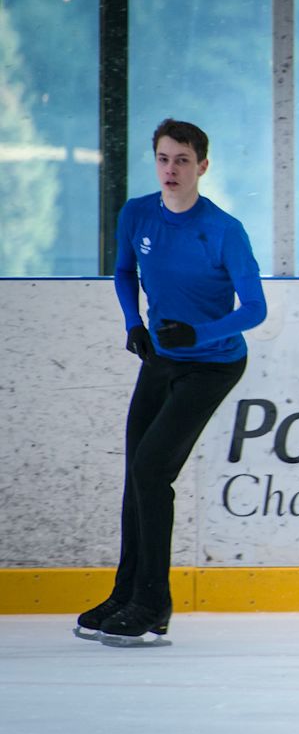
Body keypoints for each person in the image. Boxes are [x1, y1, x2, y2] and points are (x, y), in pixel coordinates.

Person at [75, 119, 268, 646]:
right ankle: (126, 593)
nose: (171, 170)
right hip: (160, 357)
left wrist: (200, 333)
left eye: (183, 160)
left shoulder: (225, 230)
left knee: (152, 468)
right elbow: (123, 271)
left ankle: (154, 605)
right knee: (137, 473)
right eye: (163, 158)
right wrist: (133, 323)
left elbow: (255, 308)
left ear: (202, 166)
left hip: (214, 364)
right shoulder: (137, 213)